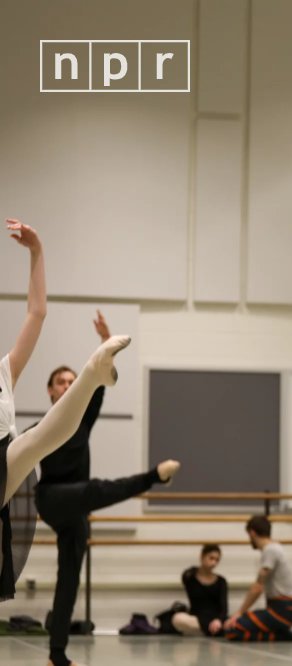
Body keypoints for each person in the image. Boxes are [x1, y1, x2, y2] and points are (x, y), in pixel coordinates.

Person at [1, 219, 132, 609]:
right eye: (60, 382)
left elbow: (37, 313)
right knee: (35, 439)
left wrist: (38, 252)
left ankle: (92, 374)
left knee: (33, 441)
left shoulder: (4, 370)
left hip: (3, 459)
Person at [35, 311, 177, 666]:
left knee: (70, 580)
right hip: (53, 499)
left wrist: (105, 343)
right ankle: (152, 478)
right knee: (94, 490)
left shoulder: (83, 420)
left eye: (72, 380)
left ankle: (57, 655)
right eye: (61, 382)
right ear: (51, 391)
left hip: (77, 509)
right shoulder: (41, 426)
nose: (68, 385)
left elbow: (98, 382)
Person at [224, 515, 292, 642]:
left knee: (232, 630)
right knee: (248, 620)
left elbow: (257, 587)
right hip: (283, 608)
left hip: (282, 610)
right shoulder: (275, 548)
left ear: (252, 533)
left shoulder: (270, 551)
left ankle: (284, 634)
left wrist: (239, 613)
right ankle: (287, 630)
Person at [172, 544, 229, 637]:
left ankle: (207, 631)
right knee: (177, 618)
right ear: (202, 556)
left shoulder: (221, 581)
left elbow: (224, 608)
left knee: (233, 623)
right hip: (196, 619)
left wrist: (219, 620)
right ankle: (207, 632)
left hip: (215, 620)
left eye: (217, 560)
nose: (214, 563)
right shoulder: (190, 577)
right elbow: (186, 573)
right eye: (211, 558)